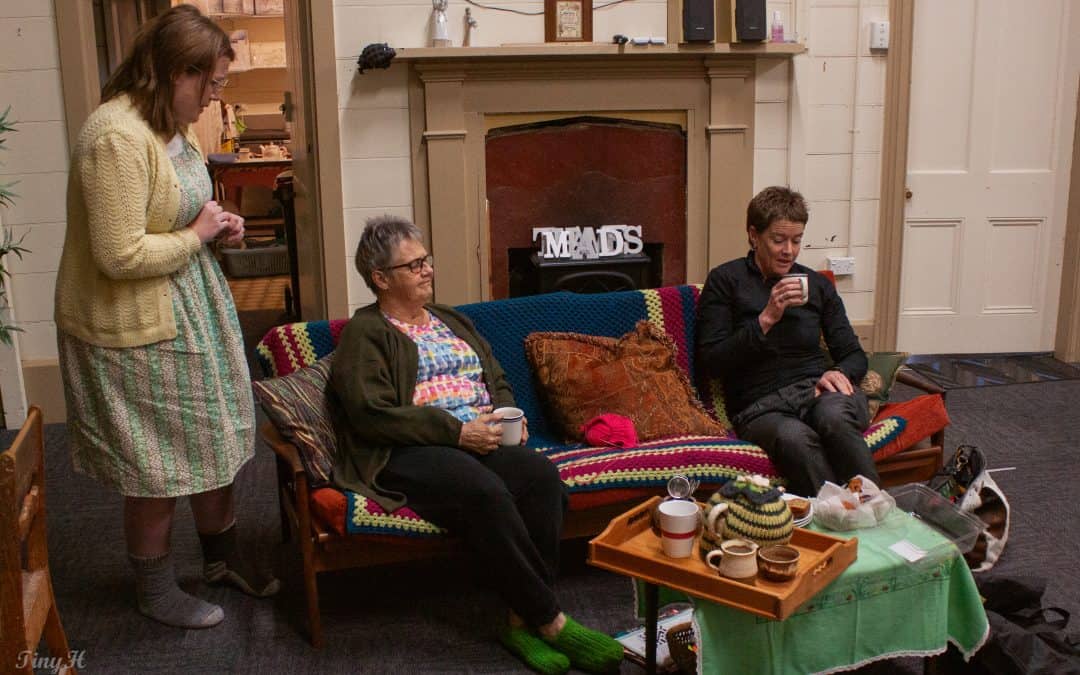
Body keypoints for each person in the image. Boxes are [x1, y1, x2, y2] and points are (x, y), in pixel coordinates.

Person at [54, 5, 278, 630]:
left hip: (188, 305)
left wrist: (215, 228)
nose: (213, 98)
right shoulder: (115, 137)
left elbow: (177, 213)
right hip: (132, 325)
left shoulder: (169, 127)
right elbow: (119, 253)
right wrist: (196, 233)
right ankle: (154, 588)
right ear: (172, 73)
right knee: (154, 465)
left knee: (215, 434)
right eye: (208, 84)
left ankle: (221, 560)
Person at [330, 215, 624, 675]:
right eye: (413, 266)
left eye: (426, 260)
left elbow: (496, 375)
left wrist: (513, 415)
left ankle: (517, 620)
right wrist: (455, 432)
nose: (427, 270)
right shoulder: (365, 333)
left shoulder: (451, 319)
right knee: (484, 492)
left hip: (480, 436)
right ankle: (550, 620)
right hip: (410, 450)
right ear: (380, 279)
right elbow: (370, 414)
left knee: (542, 478)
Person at [695, 186, 880, 497]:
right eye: (778, 240)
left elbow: (853, 355)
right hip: (760, 407)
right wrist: (766, 318)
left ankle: (877, 511)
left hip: (817, 392)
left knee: (832, 417)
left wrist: (839, 374)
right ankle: (837, 525)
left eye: (797, 240)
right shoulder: (725, 281)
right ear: (754, 235)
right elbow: (711, 361)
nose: (789, 251)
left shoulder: (817, 285)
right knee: (796, 438)